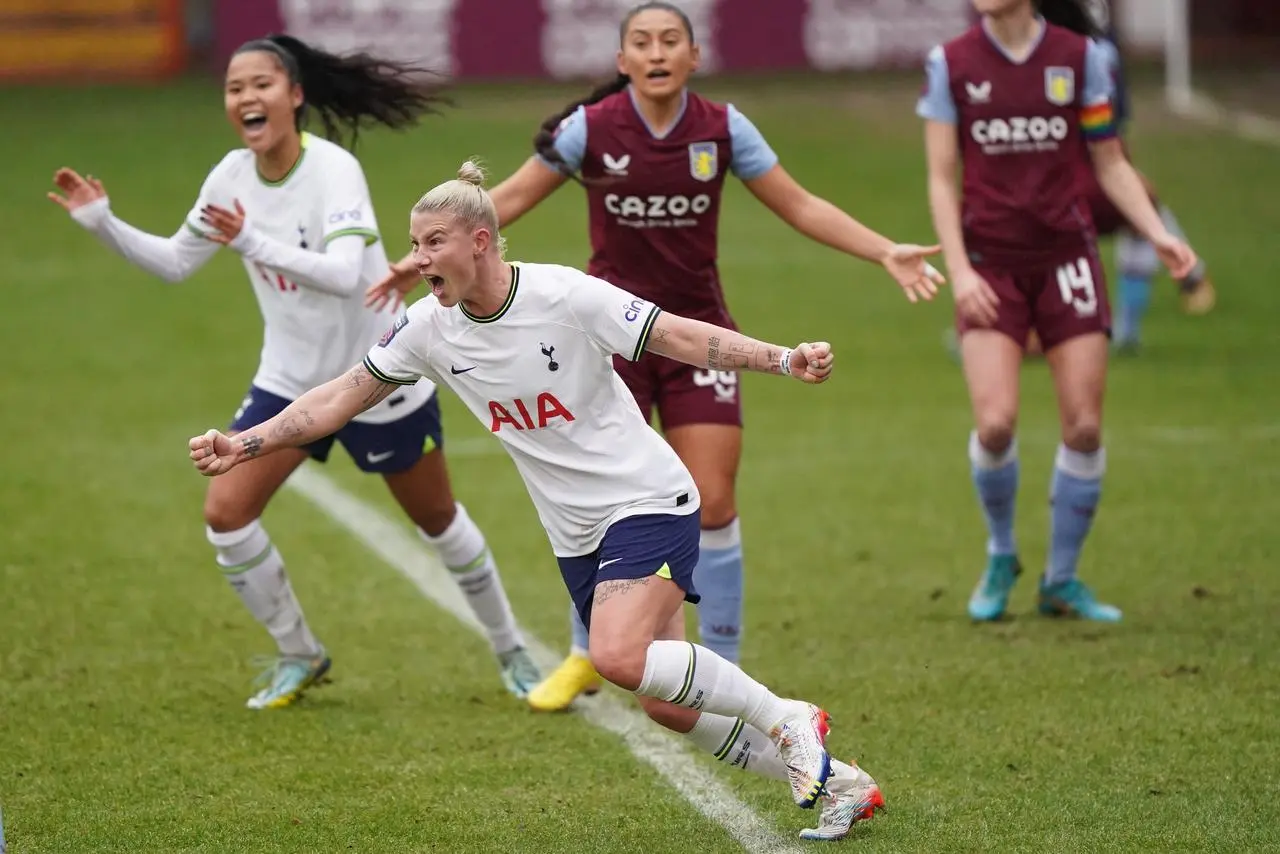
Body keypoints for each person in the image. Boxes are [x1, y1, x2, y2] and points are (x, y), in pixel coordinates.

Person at [191, 161, 886, 840]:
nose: (417, 258)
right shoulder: (428, 329)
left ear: (480, 241)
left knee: (614, 656)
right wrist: (245, 444)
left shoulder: (565, 296)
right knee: (665, 706)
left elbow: (676, 334)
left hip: (647, 498)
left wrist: (783, 359)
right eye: (413, 243)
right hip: (576, 533)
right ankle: (845, 785)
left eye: (432, 242)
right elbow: (337, 399)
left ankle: (789, 716)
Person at [368, 0, 944, 712]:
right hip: (607, 341)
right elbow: (504, 199)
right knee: (594, 498)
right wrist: (420, 260)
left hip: (697, 332)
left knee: (716, 497)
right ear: (621, 62)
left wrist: (884, 249)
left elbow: (798, 204)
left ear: (694, 57)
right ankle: (587, 654)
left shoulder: (725, 128)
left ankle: (721, 666)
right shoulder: (590, 130)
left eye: (672, 39)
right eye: (641, 41)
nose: (657, 51)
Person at [47, 35, 539, 709]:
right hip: (289, 381)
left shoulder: (333, 170)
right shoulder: (229, 177)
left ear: (295, 95)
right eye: (233, 88)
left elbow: (343, 276)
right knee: (226, 513)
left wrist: (251, 240)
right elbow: (173, 263)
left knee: (437, 519)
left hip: (378, 377)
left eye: (261, 85)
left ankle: (512, 648)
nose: (246, 98)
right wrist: (102, 223)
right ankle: (298, 653)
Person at [917, 0, 1198, 622]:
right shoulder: (952, 63)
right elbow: (942, 177)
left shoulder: (1081, 60)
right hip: (989, 262)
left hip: (1069, 261)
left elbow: (1109, 161)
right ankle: (1001, 554)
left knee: (1085, 427)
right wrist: (960, 271)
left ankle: (1062, 580)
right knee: (995, 425)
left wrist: (1156, 233)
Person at [1076, 0, 1215, 353]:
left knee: (1140, 211)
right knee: (1143, 210)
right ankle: (1135, 320)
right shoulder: (1099, 50)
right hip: (1079, 169)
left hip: (1073, 171)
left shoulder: (1074, 53)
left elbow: (1110, 132)